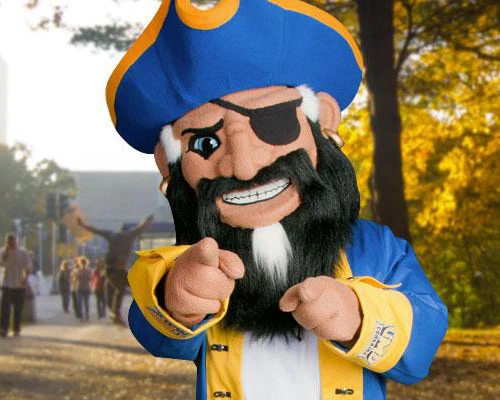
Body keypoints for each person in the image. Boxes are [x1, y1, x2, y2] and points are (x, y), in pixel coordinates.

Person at [106, 1, 448, 399]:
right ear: (170, 165)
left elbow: (423, 342)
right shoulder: (195, 257)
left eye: (272, 122)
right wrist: (177, 299)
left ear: (324, 122)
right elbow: (159, 337)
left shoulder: (378, 248)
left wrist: (358, 317)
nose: (244, 166)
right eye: (206, 144)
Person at [77, 214, 153, 325]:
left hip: (109, 269)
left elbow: (97, 231)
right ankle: (126, 313)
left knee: (121, 289)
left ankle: (116, 313)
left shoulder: (112, 235)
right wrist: (148, 220)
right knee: (129, 287)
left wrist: (83, 225)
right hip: (116, 269)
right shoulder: (129, 235)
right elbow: (140, 227)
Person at [0, 234, 32, 337]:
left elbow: (28, 266)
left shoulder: (23, 252)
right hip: (7, 284)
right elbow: (1, 263)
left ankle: (16, 328)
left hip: (19, 285)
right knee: (5, 308)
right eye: (8, 242)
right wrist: (6, 252)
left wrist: (25, 278)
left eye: (12, 241)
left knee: (18, 309)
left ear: (16, 241)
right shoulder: (3, 251)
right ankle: (3, 328)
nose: (11, 244)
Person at [75, 257, 92, 322]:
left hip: (86, 288)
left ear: (86, 263)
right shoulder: (77, 270)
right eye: (82, 263)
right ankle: (81, 317)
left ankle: (87, 315)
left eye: (84, 263)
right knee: (80, 303)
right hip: (79, 288)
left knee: (86, 303)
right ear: (80, 263)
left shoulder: (89, 270)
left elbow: (90, 279)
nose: (83, 264)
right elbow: (75, 279)